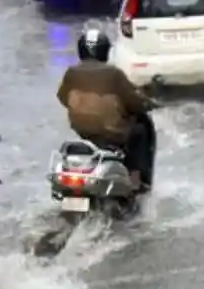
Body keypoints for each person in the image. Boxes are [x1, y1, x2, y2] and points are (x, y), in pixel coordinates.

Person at [57, 25, 158, 191]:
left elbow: (62, 98)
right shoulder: (114, 74)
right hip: (113, 134)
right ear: (104, 50)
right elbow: (135, 102)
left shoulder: (71, 73)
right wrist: (149, 102)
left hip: (84, 133)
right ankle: (137, 180)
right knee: (141, 129)